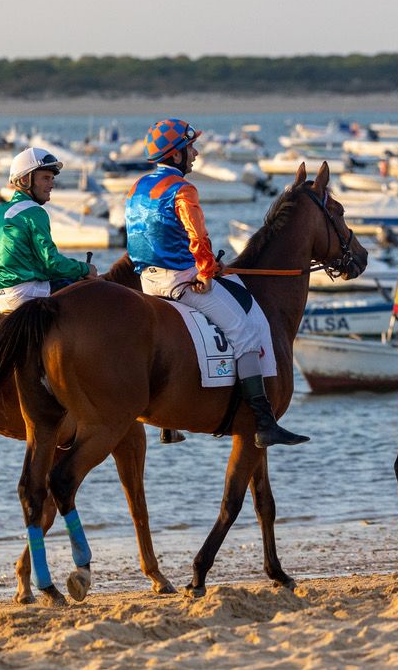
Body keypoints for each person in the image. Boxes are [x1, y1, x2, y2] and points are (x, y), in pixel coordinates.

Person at [125, 118, 307, 448]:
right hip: (180, 281)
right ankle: (264, 422)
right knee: (246, 333)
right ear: (176, 155)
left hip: (147, 283)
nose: (194, 153)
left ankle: (168, 423)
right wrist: (207, 273)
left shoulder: (136, 187)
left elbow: (142, 238)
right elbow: (198, 236)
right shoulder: (183, 189)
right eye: (190, 148)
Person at [0, 147, 97, 313]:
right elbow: (51, 263)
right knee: (92, 293)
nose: (51, 184)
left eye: (52, 179)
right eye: (45, 178)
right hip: (27, 292)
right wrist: (85, 269)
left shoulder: (0, 210)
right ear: (24, 180)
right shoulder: (34, 211)